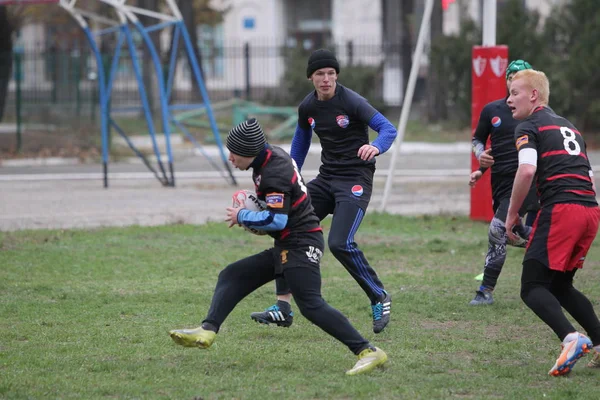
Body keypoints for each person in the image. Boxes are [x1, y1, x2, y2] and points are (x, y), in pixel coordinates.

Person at [168, 118, 388, 376]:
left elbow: (277, 219)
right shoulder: (268, 156)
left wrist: (242, 216)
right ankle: (207, 330)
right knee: (233, 274)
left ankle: (368, 351)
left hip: (301, 243)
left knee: (311, 305)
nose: (230, 158)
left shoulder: (273, 173)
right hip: (291, 241)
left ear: (249, 151)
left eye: (233, 152)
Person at [250, 49, 397, 334]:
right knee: (287, 228)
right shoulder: (308, 107)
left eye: (331, 73)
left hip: (356, 178)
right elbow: (301, 139)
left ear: (336, 76)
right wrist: (291, 172)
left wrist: (376, 146)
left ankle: (378, 295)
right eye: (320, 74)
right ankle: (282, 306)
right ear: (311, 78)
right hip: (327, 178)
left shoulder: (353, 101)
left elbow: (387, 129)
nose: (326, 79)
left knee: (340, 243)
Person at [505, 69, 600, 376]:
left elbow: (527, 170)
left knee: (532, 286)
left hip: (563, 209)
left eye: (515, 92)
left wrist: (511, 214)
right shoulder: (569, 127)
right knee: (560, 285)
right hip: (589, 210)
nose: (508, 100)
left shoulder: (529, 126)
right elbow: (589, 176)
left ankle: (570, 338)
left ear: (534, 95)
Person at [468, 59, 539, 306]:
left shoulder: (537, 113)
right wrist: (481, 162)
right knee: (516, 233)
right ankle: (551, 242)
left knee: (497, 229)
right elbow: (477, 140)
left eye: (519, 76)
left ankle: (485, 290)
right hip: (500, 183)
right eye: (510, 76)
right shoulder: (492, 110)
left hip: (527, 183)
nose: (512, 80)